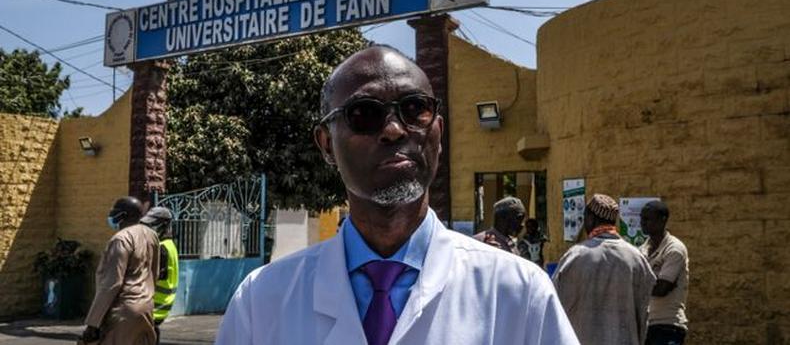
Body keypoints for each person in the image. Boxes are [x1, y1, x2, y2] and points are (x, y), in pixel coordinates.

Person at [216, 46, 579, 344]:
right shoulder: (261, 300)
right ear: (326, 144)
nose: (392, 129)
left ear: (438, 131)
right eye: (364, 114)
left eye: (414, 109)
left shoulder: (519, 292)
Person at [552, 194, 655, 345]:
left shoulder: (574, 257)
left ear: (590, 218)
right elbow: (644, 309)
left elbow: (555, 304)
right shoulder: (636, 258)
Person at [81, 196, 160, 345]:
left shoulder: (121, 239)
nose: (111, 216)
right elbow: (153, 273)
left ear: (122, 216)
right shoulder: (151, 235)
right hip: (146, 306)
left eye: (114, 212)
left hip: (123, 309)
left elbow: (112, 283)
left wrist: (93, 323)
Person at [640, 200, 689, 345]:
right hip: (646, 325)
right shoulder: (642, 249)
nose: (643, 222)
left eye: (647, 219)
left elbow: (662, 288)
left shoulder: (674, 249)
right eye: (642, 218)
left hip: (668, 325)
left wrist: (638, 284)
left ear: (662, 220)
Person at [140, 207, 179, 345]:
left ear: (163, 225)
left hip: (155, 305)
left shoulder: (162, 247)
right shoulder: (169, 245)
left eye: (152, 225)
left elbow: (156, 275)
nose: (150, 228)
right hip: (161, 305)